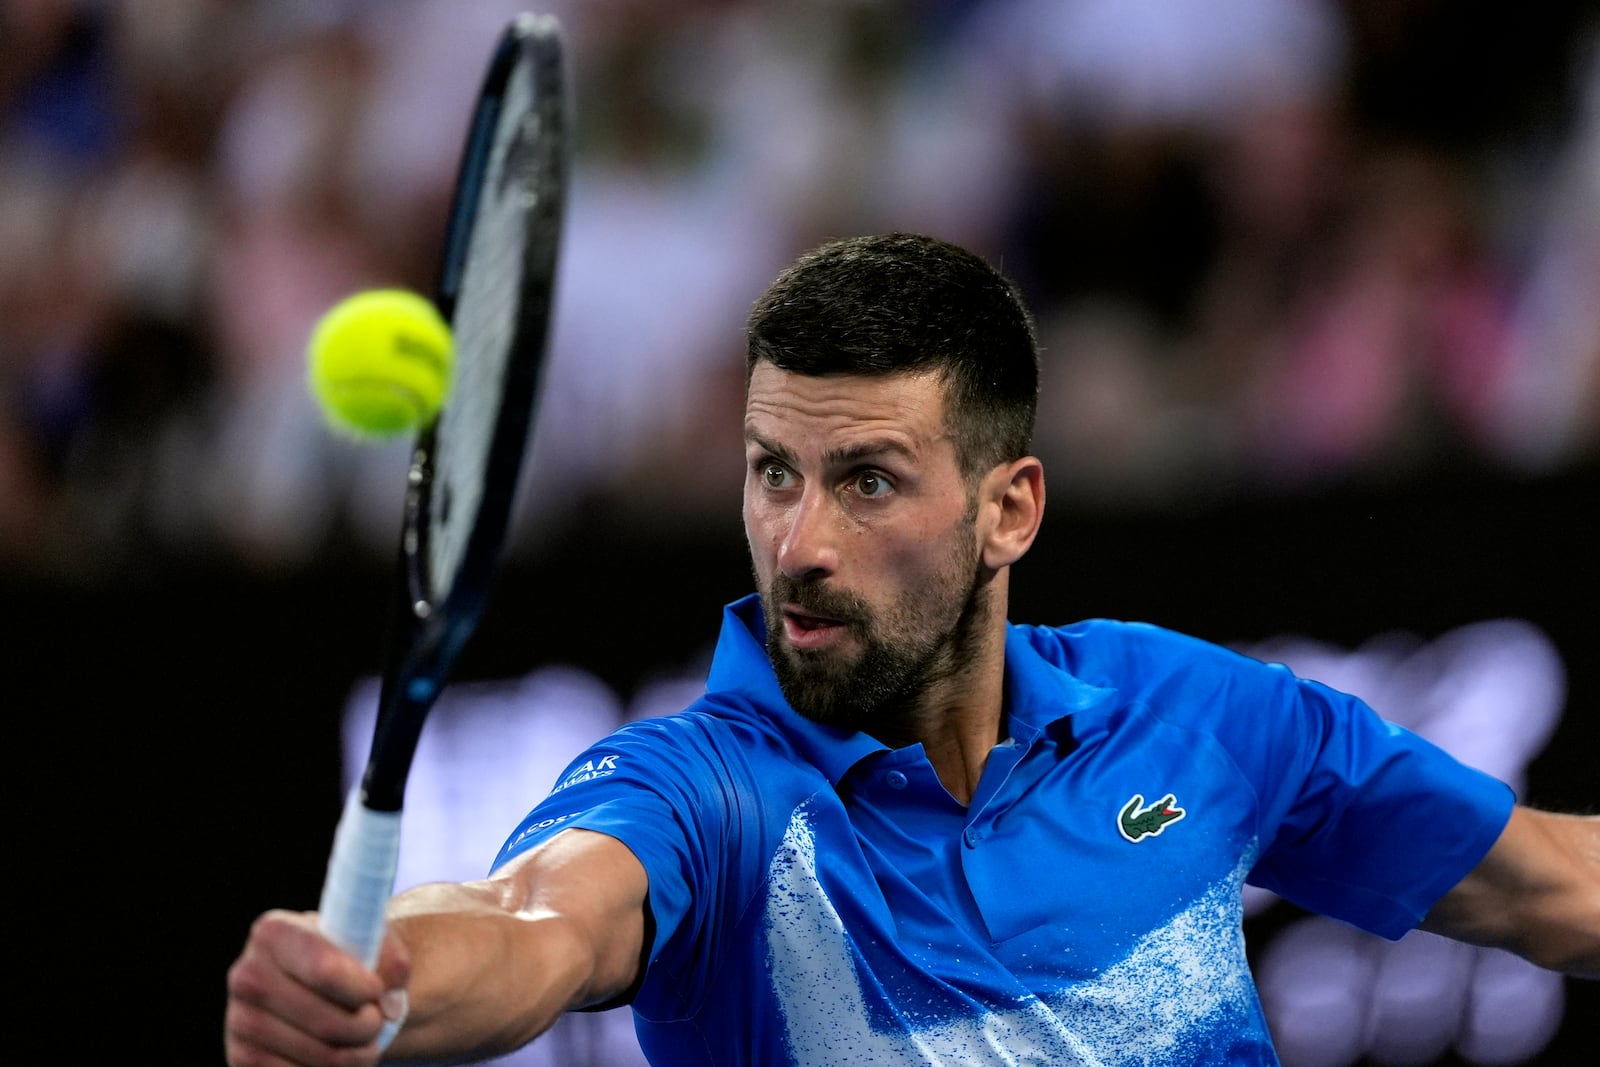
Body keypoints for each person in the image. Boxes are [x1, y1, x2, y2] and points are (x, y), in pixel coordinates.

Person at [224, 233, 1598, 1067]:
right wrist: (381, 982)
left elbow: (1549, 891)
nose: (799, 541)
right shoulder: (705, 797)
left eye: (867, 480)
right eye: (773, 473)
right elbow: (537, 920)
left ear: (1010, 509)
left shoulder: (1190, 716)